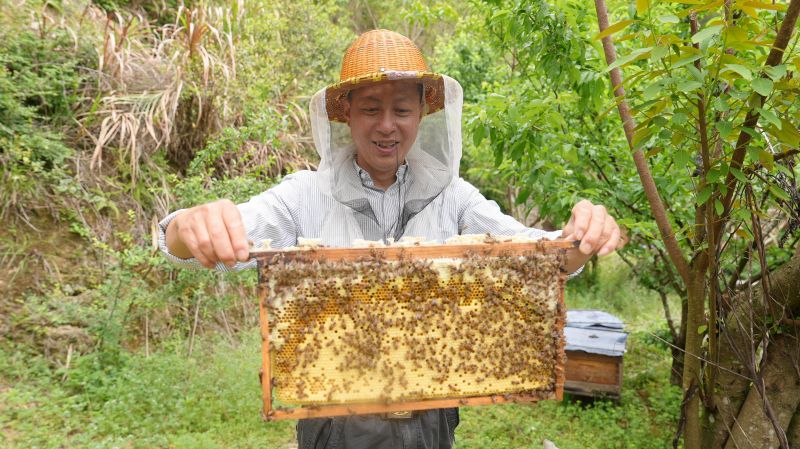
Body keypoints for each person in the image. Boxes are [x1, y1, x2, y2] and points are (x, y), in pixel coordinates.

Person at [159, 29, 624, 449]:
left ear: (422, 113)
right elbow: (203, 238)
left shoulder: (455, 198)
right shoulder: (303, 195)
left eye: (402, 109)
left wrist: (579, 238)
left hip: (431, 420)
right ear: (345, 115)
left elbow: (537, 255)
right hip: (331, 425)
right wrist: (188, 225)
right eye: (370, 109)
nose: (387, 124)